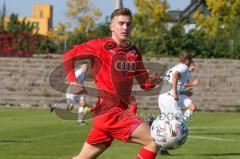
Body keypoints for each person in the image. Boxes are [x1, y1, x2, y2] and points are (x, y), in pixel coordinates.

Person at [62, 8, 162, 159]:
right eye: (121, 23)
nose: (125, 27)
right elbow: (68, 56)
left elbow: (144, 84)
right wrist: (72, 81)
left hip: (109, 114)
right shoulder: (99, 45)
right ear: (111, 27)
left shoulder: (134, 52)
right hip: (111, 113)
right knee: (155, 140)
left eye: (128, 24)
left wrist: (151, 83)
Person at [157, 51, 195, 155]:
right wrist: (174, 91)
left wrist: (183, 92)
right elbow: (175, 76)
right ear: (187, 61)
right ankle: (151, 125)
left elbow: (173, 80)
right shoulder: (183, 67)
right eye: (191, 60)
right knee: (177, 123)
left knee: (168, 123)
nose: (191, 62)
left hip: (163, 96)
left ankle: (163, 148)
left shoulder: (175, 66)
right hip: (169, 98)